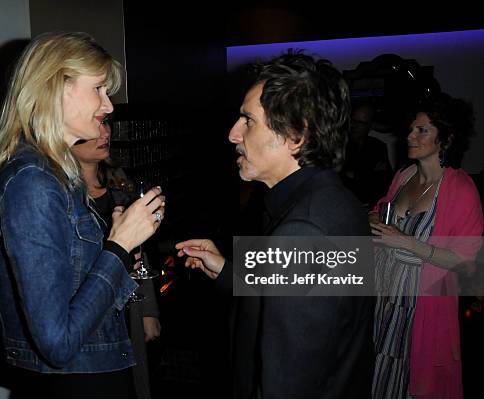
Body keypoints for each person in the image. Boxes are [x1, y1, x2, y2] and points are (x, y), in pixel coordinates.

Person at [176, 51, 374, 399]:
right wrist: (226, 270)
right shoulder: (336, 201)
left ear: (296, 135)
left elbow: (288, 382)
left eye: (248, 121)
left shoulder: (302, 233)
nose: (233, 134)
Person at [0, 32, 165, 398]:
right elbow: (57, 343)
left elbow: (79, 290)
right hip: (75, 382)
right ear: (54, 88)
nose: (108, 106)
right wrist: (120, 244)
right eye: (98, 89)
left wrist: (119, 245)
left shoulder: (57, 174)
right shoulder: (32, 182)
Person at [369, 93, 483, 398]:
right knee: (380, 367)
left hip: (422, 301)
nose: (410, 135)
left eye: (423, 130)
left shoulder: (460, 189)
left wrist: (406, 242)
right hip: (385, 293)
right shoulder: (403, 176)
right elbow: (381, 210)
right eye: (411, 128)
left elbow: (466, 260)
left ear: (445, 139)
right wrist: (371, 220)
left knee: (412, 377)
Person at [71, 119, 161, 399]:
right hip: (89, 312)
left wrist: (148, 310)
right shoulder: (60, 193)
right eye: (94, 124)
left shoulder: (118, 181)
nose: (106, 132)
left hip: (128, 306)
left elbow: (138, 251)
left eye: (106, 124)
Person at [341, 100, 392, 207]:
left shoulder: (377, 147)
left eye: (361, 123)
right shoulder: (339, 146)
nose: (355, 126)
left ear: (370, 125)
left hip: (369, 207)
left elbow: (383, 183)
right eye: (353, 121)